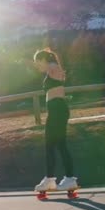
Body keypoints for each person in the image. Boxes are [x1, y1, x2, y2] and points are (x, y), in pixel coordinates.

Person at [33, 48, 78, 192]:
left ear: (44, 60)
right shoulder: (51, 70)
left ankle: (55, 179)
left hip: (58, 110)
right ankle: (61, 179)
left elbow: (58, 73)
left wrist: (52, 64)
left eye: (37, 62)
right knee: (57, 145)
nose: (37, 66)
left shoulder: (53, 69)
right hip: (56, 110)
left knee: (51, 145)